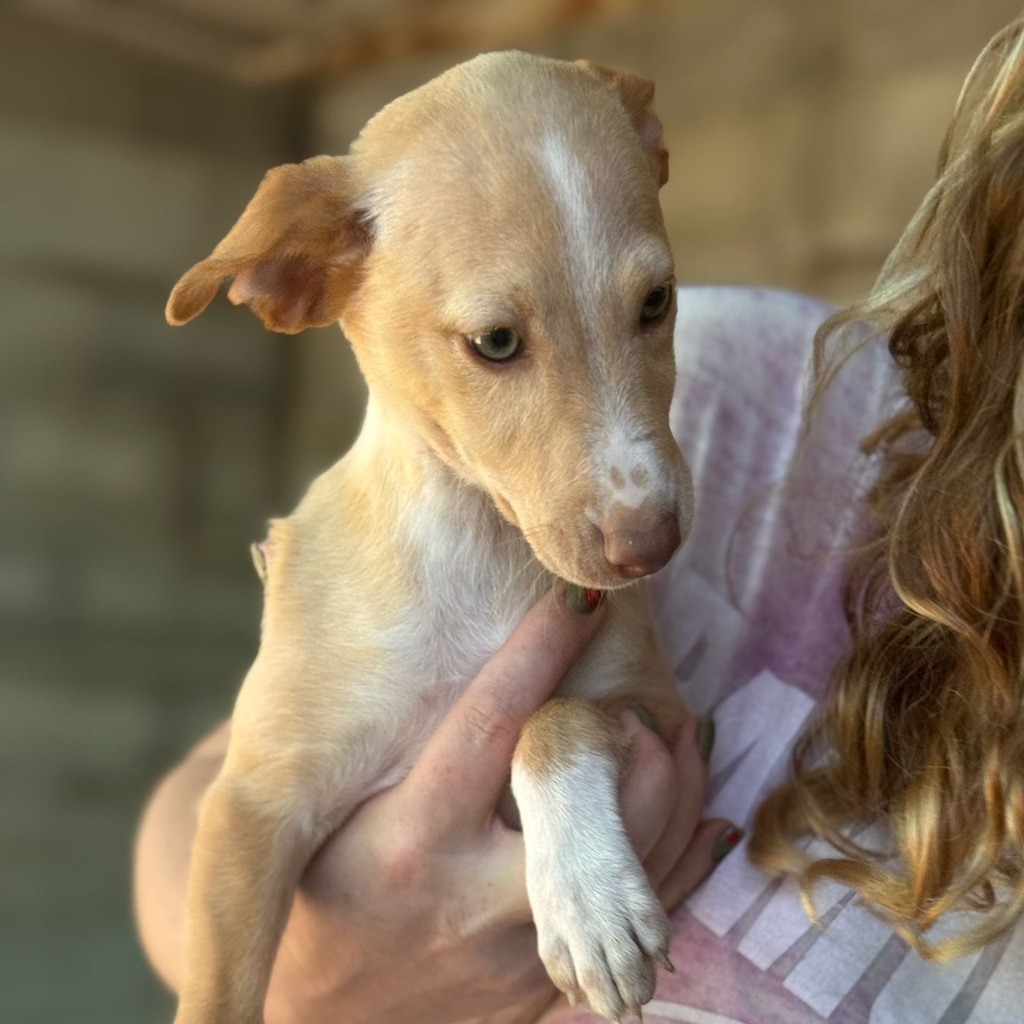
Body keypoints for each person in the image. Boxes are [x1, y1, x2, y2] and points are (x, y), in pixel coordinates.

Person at [135, 20, 1024, 1024]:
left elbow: (643, 725)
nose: (639, 500)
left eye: (649, 307)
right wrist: (314, 981)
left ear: (645, 151)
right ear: (302, 274)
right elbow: (235, 805)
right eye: (497, 342)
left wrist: (556, 766)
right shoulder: (772, 400)